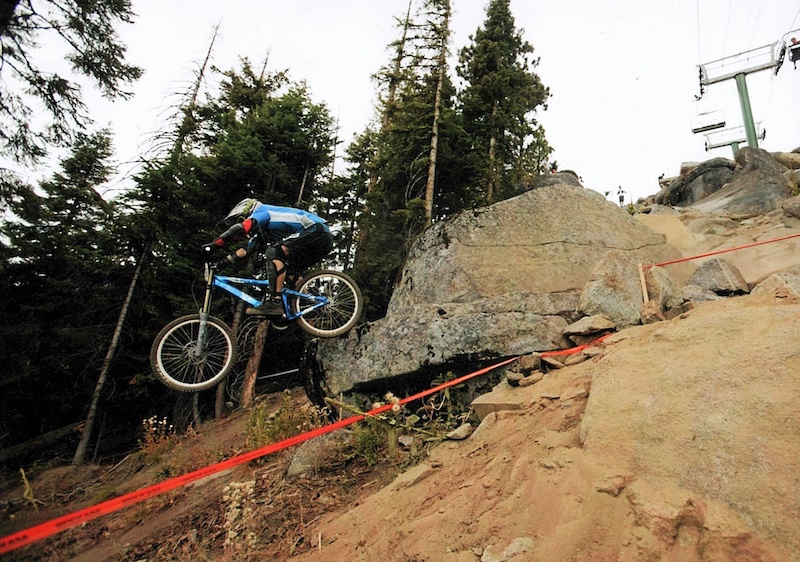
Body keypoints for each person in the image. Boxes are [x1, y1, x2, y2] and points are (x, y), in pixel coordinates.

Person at [203, 198, 333, 316]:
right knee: (290, 271)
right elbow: (246, 251)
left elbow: (241, 228)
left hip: (316, 230)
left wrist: (215, 244)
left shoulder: (262, 211)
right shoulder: (262, 231)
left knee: (274, 252)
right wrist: (219, 264)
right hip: (321, 239)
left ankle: (274, 301)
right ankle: (310, 302)